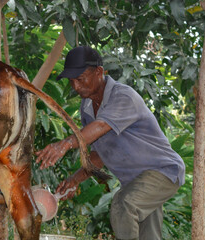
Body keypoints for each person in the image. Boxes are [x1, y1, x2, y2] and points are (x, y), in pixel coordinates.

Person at [35, 46, 185, 240]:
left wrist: (63, 145)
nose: (76, 86)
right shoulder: (87, 107)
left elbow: (102, 125)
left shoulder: (123, 96)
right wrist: (74, 181)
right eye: (71, 81)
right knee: (148, 235)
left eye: (80, 79)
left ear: (99, 72)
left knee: (123, 204)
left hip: (163, 171)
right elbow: (99, 155)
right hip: (135, 182)